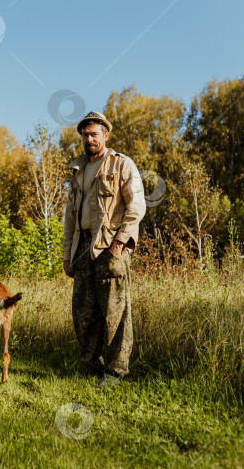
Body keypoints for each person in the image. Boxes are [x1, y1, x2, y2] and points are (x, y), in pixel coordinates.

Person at [62, 111, 146, 381]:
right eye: (85, 135)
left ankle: (115, 371)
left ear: (105, 135)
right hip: (83, 247)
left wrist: (119, 245)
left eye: (94, 134)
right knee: (83, 313)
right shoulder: (78, 171)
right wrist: (67, 255)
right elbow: (70, 218)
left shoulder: (121, 165)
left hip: (110, 246)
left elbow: (136, 206)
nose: (89, 139)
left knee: (115, 313)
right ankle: (88, 366)